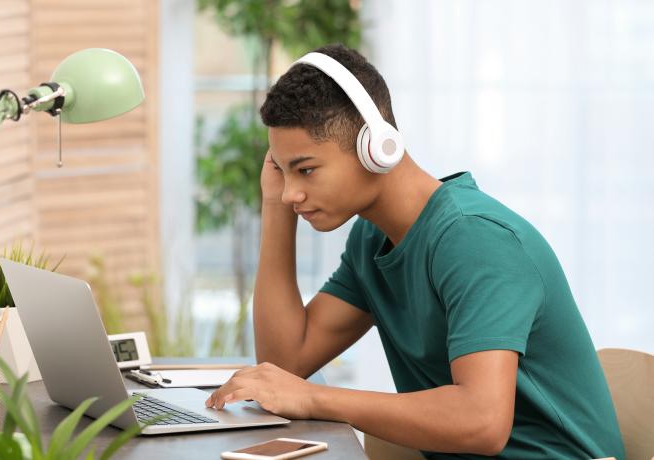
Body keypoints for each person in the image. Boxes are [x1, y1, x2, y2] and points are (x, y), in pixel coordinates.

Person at [204, 44, 625, 459]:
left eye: (306, 169)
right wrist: (276, 208)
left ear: (376, 147)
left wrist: (315, 398)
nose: (293, 191)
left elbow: (481, 422)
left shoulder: (475, 240)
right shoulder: (371, 240)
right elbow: (284, 364)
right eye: (283, 169)